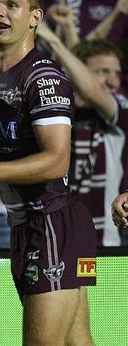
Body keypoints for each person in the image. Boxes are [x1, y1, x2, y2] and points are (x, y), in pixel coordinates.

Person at [0, 0, 105, 346]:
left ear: (34, 18)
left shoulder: (43, 78)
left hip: (54, 224)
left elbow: (57, 160)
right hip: (27, 225)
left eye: (12, 5)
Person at [38, 26, 128, 247]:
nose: (113, 81)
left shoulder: (121, 110)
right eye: (103, 72)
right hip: (55, 234)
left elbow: (91, 92)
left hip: (106, 238)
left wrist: (53, 40)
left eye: (116, 73)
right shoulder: (55, 113)